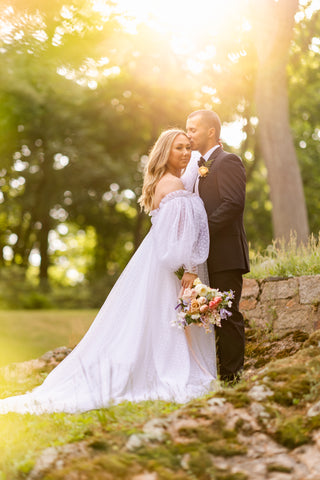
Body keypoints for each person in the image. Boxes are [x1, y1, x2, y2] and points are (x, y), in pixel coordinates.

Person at [0, 129, 217, 415]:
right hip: (166, 262)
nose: (186, 153)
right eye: (179, 148)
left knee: (150, 319)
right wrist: (189, 268)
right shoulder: (173, 183)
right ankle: (162, 370)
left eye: (188, 147)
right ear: (165, 151)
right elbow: (180, 236)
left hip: (151, 260)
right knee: (162, 319)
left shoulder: (159, 182)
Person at [184, 110, 250, 384]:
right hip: (206, 258)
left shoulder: (228, 161)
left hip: (225, 254)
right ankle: (219, 375)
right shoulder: (196, 167)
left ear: (211, 131)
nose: (189, 134)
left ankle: (233, 378)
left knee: (228, 314)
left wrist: (201, 233)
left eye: (193, 129)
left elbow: (233, 204)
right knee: (212, 316)